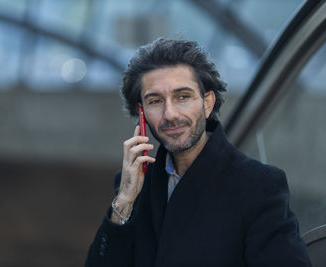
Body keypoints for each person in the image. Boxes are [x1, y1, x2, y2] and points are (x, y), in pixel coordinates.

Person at [85, 38, 311, 266]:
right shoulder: (136, 186)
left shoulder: (259, 186)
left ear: (207, 102)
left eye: (183, 96)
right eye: (155, 101)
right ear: (141, 112)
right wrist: (123, 201)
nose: (170, 114)